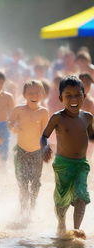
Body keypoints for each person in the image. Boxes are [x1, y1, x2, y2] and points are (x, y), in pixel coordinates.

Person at [41, 76, 94, 238]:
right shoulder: (58, 117)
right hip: (63, 164)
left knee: (81, 196)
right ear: (60, 98)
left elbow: (91, 137)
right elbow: (44, 136)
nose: (73, 99)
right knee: (62, 200)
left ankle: (76, 229)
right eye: (68, 95)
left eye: (78, 95)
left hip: (81, 164)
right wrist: (44, 147)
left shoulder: (87, 117)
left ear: (83, 97)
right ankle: (62, 224)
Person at [9, 80, 49, 217]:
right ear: (24, 94)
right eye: (30, 92)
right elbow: (11, 125)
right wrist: (14, 127)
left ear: (42, 94)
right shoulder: (18, 110)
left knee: (36, 183)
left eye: (37, 92)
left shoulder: (44, 112)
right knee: (22, 183)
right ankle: (23, 209)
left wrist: (46, 148)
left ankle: (32, 207)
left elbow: (45, 133)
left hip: (37, 152)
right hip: (21, 151)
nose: (34, 95)